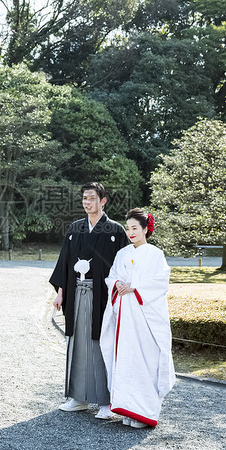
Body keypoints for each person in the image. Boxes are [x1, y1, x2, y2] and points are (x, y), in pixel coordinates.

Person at [50, 182, 129, 419]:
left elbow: (124, 267)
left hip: (103, 296)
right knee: (77, 343)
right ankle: (78, 397)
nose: (87, 202)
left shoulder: (115, 230)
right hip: (76, 294)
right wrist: (61, 292)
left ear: (102, 201)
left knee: (101, 343)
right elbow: (65, 262)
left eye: (92, 198)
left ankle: (106, 400)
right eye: (84, 198)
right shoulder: (75, 228)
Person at [101, 208, 175, 428]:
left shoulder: (155, 254)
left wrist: (134, 287)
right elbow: (111, 276)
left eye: (135, 228)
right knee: (126, 359)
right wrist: (117, 284)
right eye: (128, 228)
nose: (131, 232)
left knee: (146, 359)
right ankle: (128, 409)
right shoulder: (122, 253)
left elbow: (160, 282)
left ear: (145, 229)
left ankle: (145, 411)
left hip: (145, 317)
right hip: (124, 315)